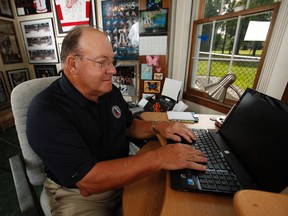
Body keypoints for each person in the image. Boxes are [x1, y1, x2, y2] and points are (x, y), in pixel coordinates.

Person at [26, 25, 207, 216]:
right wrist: (160, 157)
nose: (112, 70)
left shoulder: (108, 91)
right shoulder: (45, 111)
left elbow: (129, 126)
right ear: (73, 65)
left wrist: (158, 126)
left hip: (123, 173)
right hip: (80, 193)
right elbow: (88, 181)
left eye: (112, 61)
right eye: (102, 62)